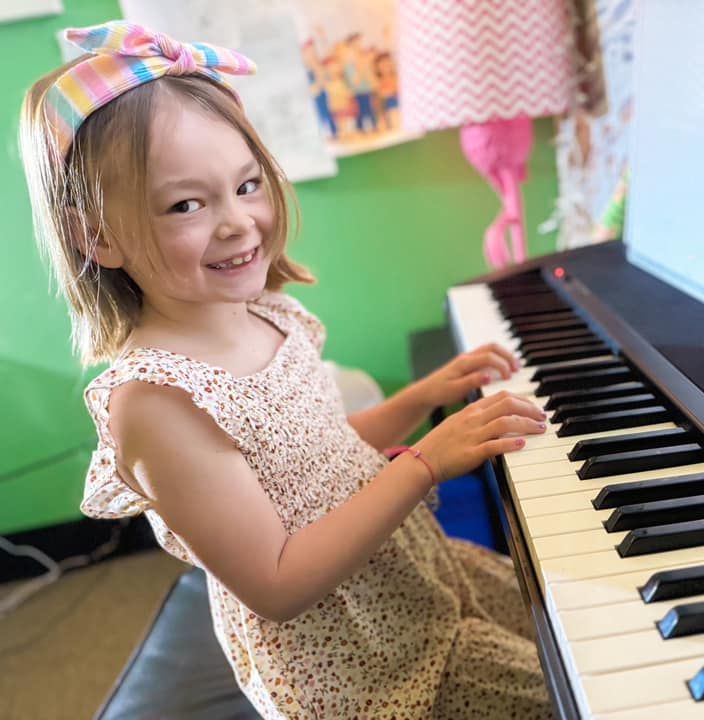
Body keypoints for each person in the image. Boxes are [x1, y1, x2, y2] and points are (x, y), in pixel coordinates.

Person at [19, 21, 555, 720]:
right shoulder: (157, 402)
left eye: (246, 185)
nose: (238, 222)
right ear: (97, 237)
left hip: (415, 585)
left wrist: (423, 397)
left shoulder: (266, 312)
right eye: (187, 204)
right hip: (359, 665)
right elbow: (276, 581)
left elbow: (317, 455)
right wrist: (423, 464)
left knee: (567, 639)